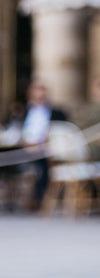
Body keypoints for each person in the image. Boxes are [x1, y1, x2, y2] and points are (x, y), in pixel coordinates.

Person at [15, 82, 67, 211]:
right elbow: (16, 130)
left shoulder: (56, 112)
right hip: (23, 148)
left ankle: (40, 200)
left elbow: (62, 131)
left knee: (43, 165)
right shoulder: (22, 111)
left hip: (46, 150)